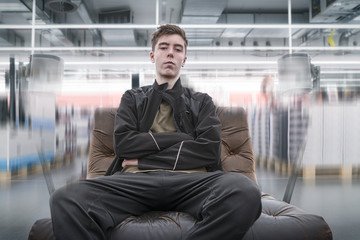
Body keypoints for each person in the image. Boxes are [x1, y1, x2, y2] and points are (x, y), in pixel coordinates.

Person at [50, 24, 261, 240]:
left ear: (184, 60)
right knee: (65, 198)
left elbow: (208, 151)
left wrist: (142, 161)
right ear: (152, 55)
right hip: (134, 184)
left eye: (178, 49)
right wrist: (183, 138)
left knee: (245, 192)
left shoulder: (202, 102)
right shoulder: (132, 98)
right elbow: (124, 145)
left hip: (193, 183)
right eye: (164, 47)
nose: (171, 52)